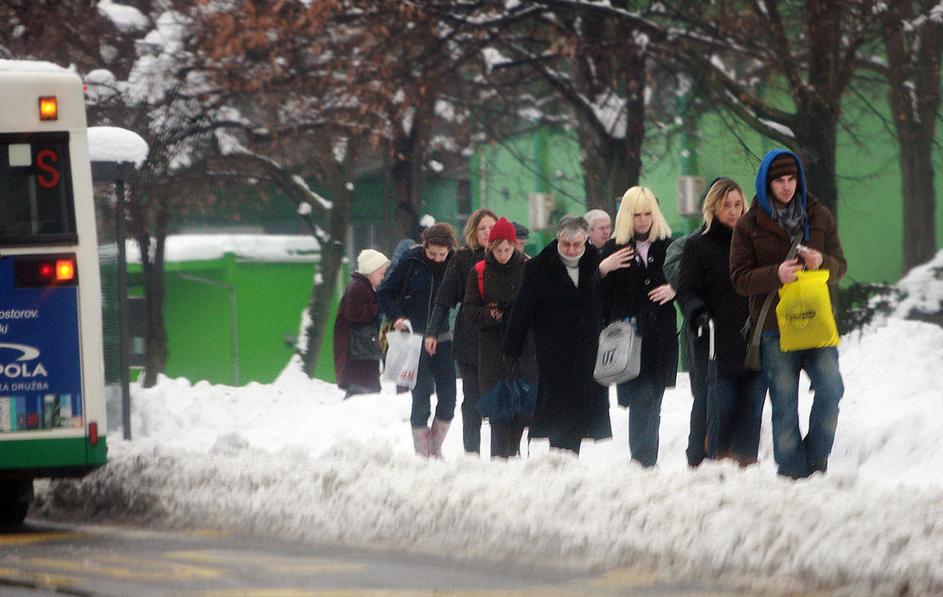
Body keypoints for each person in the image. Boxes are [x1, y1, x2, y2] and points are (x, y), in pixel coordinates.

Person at [730, 149, 846, 478]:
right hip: (773, 326)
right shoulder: (748, 225)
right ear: (767, 183)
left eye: (791, 179)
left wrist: (820, 262)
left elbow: (841, 267)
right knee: (784, 404)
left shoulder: (818, 214)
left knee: (832, 388)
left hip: (816, 321)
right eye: (779, 180)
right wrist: (775, 275)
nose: (786, 186)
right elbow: (739, 279)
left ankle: (817, 459)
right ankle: (793, 474)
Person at [504, 215, 612, 455]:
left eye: (577, 245)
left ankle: (568, 457)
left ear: (585, 242)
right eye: (566, 244)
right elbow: (522, 310)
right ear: (558, 240)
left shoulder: (593, 262)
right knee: (558, 410)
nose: (571, 250)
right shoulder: (540, 267)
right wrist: (512, 348)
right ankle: (559, 456)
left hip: (587, 351)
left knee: (579, 412)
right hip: (554, 352)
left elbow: (603, 303)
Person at [677, 178, 767, 466]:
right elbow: (687, 289)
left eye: (737, 204)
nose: (732, 211)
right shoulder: (698, 245)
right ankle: (707, 462)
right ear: (713, 208)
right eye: (725, 205)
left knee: (752, 408)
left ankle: (744, 466)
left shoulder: (755, 243)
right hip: (716, 341)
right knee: (718, 406)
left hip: (753, 341)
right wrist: (697, 312)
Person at [597, 186, 677, 467]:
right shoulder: (612, 249)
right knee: (641, 399)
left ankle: (647, 464)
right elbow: (593, 295)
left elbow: (691, 276)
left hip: (661, 337)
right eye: (636, 215)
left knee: (653, 402)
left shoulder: (668, 244)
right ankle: (641, 463)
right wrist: (602, 269)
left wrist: (674, 288)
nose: (642, 221)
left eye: (647, 214)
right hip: (628, 339)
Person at [377, 223, 458, 458]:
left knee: (449, 399)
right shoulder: (411, 261)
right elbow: (384, 292)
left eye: (442, 254)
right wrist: (397, 317)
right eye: (432, 253)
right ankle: (423, 456)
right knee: (421, 398)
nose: (438, 259)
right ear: (425, 246)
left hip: (443, 339)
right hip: (413, 340)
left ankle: (436, 449)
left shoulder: (454, 263)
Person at [462, 218, 537, 458]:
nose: (503, 255)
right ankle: (499, 459)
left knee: (524, 410)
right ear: (490, 248)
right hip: (493, 350)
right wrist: (490, 314)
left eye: (508, 249)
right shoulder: (480, 273)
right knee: (499, 410)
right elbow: (469, 310)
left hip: (523, 348)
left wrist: (517, 312)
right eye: (498, 250)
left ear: (515, 246)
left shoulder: (529, 268)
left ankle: (513, 453)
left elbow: (540, 306)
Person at [425, 208, 497, 455]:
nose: (488, 233)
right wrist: (432, 331)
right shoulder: (463, 259)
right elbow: (444, 298)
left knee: (500, 397)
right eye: (482, 228)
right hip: (470, 339)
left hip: (499, 340)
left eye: (492, 227)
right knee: (472, 399)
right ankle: (472, 454)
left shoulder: (509, 258)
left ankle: (504, 454)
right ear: (473, 232)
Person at [663, 177, 722, 468]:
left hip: (738, 333)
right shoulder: (686, 245)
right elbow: (679, 276)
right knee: (704, 396)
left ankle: (728, 454)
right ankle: (697, 456)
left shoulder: (744, 243)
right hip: (702, 333)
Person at [333, 249, 390, 398]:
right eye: (380, 273)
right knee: (362, 386)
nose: (382, 277)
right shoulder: (358, 287)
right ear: (370, 271)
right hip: (357, 348)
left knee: (365, 384)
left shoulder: (362, 285)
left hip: (360, 347)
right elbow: (354, 314)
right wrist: (377, 306)